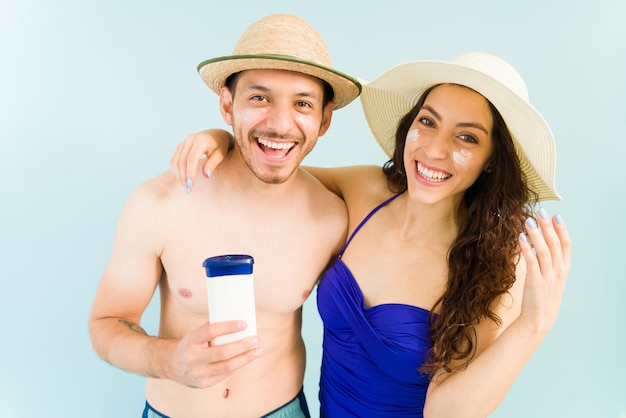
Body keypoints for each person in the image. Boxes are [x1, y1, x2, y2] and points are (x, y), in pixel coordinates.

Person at [170, 52, 572, 417]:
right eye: (427, 122)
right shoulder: (368, 191)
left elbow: (446, 413)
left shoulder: (497, 262)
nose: (434, 149)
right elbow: (275, 168)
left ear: (490, 161)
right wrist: (222, 138)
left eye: (467, 137)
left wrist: (534, 324)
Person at [88, 13, 361, 418]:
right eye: (259, 98)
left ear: (324, 119)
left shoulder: (333, 219)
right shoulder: (159, 203)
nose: (281, 123)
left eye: (302, 103)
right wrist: (165, 360)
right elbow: (107, 322)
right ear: (226, 103)